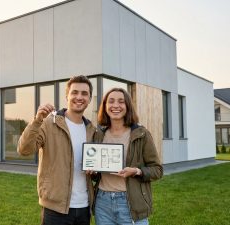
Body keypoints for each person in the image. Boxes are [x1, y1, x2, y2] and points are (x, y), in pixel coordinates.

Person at [17, 75, 96, 225]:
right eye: (75, 92)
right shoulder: (48, 123)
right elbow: (24, 149)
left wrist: (94, 172)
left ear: (90, 98)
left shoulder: (92, 130)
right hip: (55, 209)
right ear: (67, 95)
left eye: (84, 93)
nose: (79, 97)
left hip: (84, 207)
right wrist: (37, 120)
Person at [91, 87, 163, 225]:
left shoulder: (141, 134)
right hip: (102, 202)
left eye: (121, 101)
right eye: (111, 101)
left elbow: (157, 170)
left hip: (130, 201)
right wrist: (92, 171)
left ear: (128, 106)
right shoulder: (99, 134)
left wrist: (136, 171)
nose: (116, 105)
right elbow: (97, 173)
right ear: (105, 106)